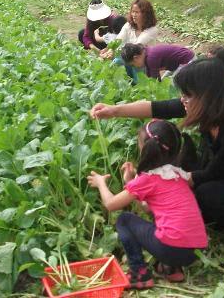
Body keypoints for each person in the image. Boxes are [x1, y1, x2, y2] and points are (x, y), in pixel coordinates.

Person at [91, 58, 224, 249]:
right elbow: (157, 107)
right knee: (188, 184)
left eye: (187, 95)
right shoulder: (210, 108)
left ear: (208, 96)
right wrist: (113, 111)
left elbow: (212, 173)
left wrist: (157, 184)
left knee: (205, 194)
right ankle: (221, 216)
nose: (182, 100)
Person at [87, 119, 207, 289]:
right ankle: (171, 269)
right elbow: (148, 207)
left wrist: (101, 183)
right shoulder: (178, 175)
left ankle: (139, 274)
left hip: (172, 248)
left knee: (124, 220)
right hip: (194, 251)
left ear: (144, 148)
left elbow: (111, 204)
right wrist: (132, 180)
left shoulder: (147, 180)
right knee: (166, 220)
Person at [120, 43, 194, 81]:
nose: (135, 66)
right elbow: (149, 76)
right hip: (178, 64)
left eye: (133, 64)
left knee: (175, 82)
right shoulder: (146, 53)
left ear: (135, 58)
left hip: (187, 60)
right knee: (166, 80)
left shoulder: (151, 58)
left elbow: (156, 80)